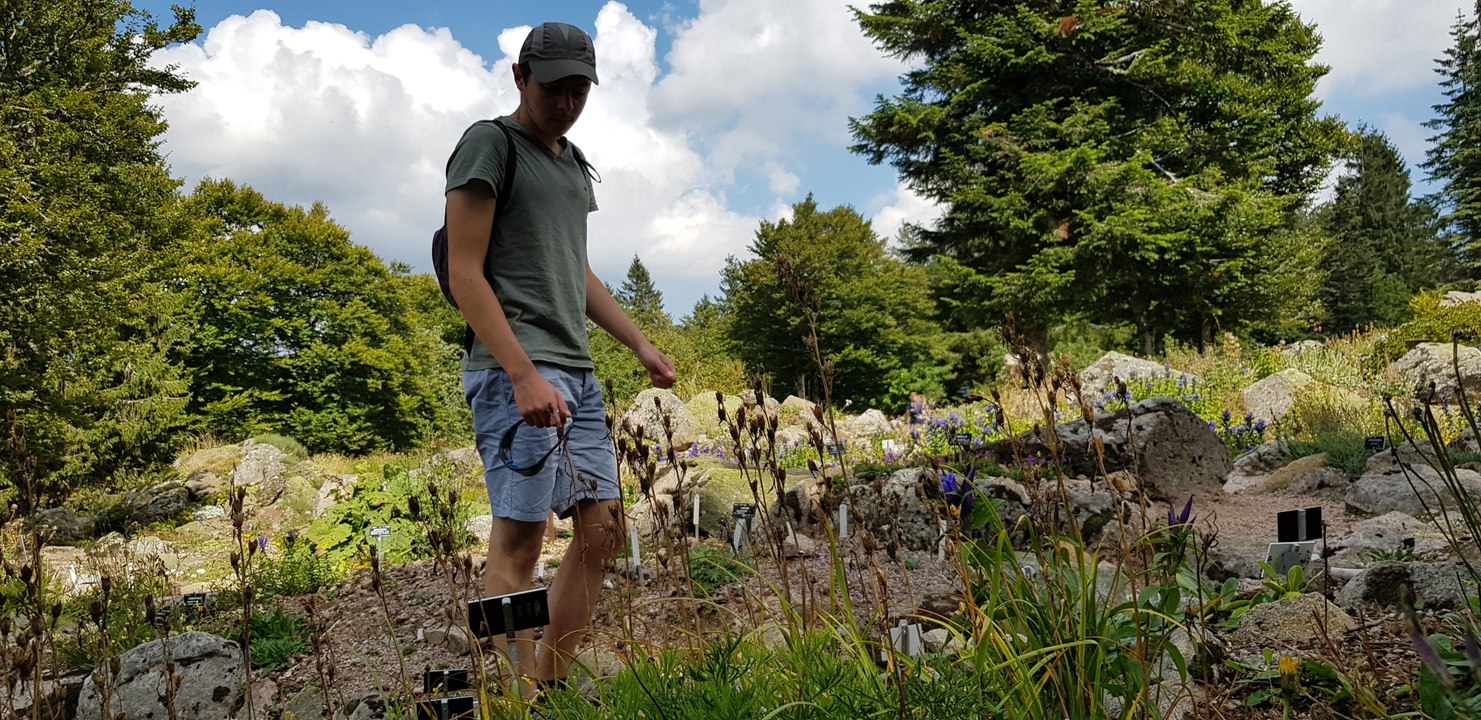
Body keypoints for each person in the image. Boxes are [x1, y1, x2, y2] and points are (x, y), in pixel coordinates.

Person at [442, 21, 676, 693]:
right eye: (554, 89)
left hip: (576, 371)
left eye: (579, 89)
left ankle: (547, 687)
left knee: (602, 530)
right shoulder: (488, 145)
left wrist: (637, 341)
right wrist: (520, 372)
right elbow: (465, 273)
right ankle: (511, 698)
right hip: (512, 370)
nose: (567, 103)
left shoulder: (572, 162)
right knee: (519, 540)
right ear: (520, 78)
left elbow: (576, 271)